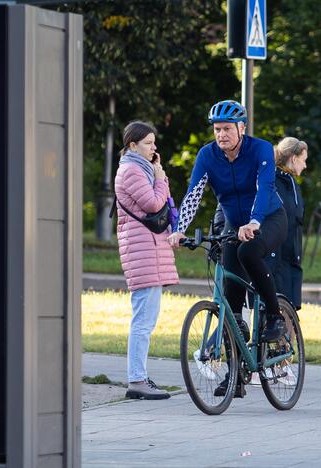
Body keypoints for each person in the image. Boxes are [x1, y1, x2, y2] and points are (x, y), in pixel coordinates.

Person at [168, 100, 287, 398]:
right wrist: (179, 229)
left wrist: (255, 222)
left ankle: (274, 317)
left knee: (248, 254)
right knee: (228, 289)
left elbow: (265, 188)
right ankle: (237, 373)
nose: (221, 134)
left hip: (269, 218)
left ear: (241, 128)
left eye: (226, 129)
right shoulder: (207, 155)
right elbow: (194, 192)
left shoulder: (259, 149)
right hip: (235, 226)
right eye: (217, 129)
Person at [114, 121, 179, 400]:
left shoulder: (139, 169)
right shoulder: (131, 170)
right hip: (143, 250)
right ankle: (137, 380)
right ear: (133, 146)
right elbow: (154, 204)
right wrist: (161, 177)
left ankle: (139, 378)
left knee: (146, 318)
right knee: (143, 320)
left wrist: (157, 175)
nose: (154, 148)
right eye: (148, 143)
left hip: (147, 248)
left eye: (154, 142)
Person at [263, 137, 308, 310]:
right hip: (278, 256)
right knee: (279, 306)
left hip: (289, 255)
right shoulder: (275, 181)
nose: (305, 166)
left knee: (288, 307)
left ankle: (286, 336)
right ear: (294, 158)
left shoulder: (290, 182)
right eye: (303, 160)